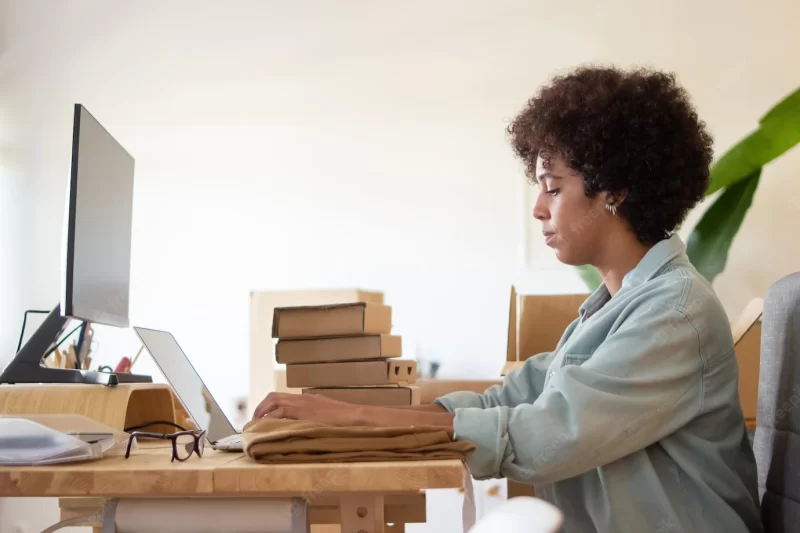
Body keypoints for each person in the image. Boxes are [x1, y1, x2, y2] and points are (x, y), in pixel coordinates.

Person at [253, 65, 763, 533]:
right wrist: (339, 416)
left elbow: (545, 436)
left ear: (616, 191)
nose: (539, 209)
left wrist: (355, 420)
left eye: (553, 188)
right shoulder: (610, 309)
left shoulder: (674, 314)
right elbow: (505, 401)